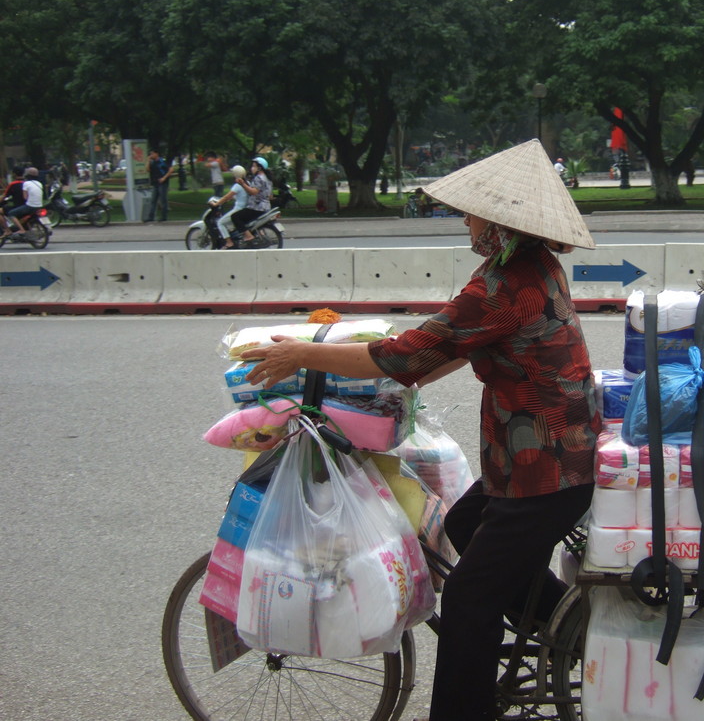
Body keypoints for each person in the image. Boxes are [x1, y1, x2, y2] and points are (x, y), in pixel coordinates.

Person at [241, 139, 600, 721]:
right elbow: (451, 347)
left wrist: (305, 356)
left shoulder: (502, 285)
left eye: (471, 210)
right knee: (460, 523)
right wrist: (405, 382)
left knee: (466, 601)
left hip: (547, 469)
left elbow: (408, 352)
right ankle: (573, 637)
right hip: (542, 456)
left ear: (500, 221)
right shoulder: (523, 266)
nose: (465, 219)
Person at [226, 156, 273, 247]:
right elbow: (269, 195)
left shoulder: (259, 178)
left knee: (235, 217)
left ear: (259, 168)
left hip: (257, 207)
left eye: (254, 166)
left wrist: (243, 184)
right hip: (265, 206)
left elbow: (254, 192)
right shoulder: (267, 178)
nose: (252, 168)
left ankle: (248, 236)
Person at [209, 164, 248, 244]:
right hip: (245, 209)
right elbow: (237, 196)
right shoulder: (248, 183)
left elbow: (226, 197)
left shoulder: (237, 186)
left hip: (238, 210)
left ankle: (229, 242)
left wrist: (217, 204)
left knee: (220, 222)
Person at [1, 166, 43, 238]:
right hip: (35, 205)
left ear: (14, 174)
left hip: (21, 206)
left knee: (3, 211)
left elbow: (4, 196)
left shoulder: (13, 184)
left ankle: (7, 230)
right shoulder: (30, 183)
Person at [144, 148, 175, 222]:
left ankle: (164, 216)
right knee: (153, 200)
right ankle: (150, 217)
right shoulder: (152, 162)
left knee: (163, 200)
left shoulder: (163, 161)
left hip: (162, 183)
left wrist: (164, 178)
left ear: (156, 154)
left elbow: (171, 170)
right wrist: (148, 161)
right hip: (155, 183)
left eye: (152, 154)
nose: (151, 155)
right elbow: (147, 169)